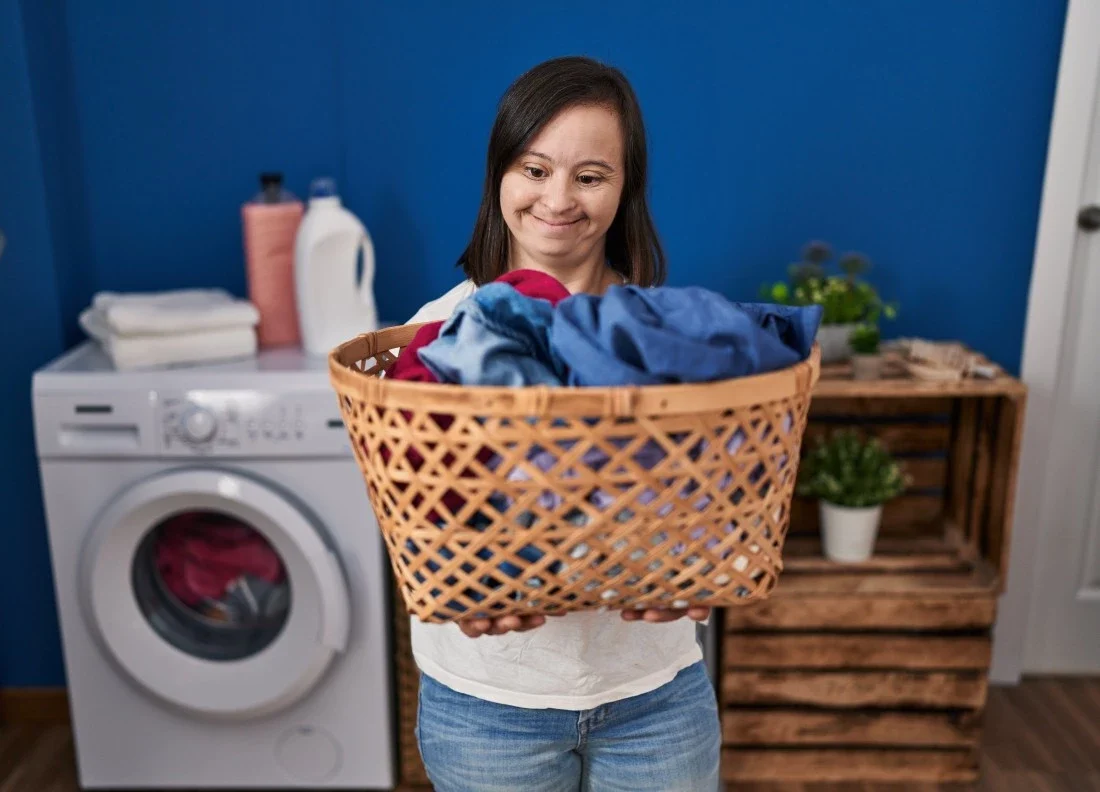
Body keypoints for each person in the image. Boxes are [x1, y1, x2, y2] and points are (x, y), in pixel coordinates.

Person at [407, 56, 721, 792]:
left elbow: (708, 498)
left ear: (624, 189)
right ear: (500, 177)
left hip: (655, 696)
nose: (558, 199)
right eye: (534, 168)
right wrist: (452, 583)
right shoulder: (437, 335)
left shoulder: (664, 338)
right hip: (488, 706)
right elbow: (411, 515)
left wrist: (703, 568)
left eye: (590, 176)